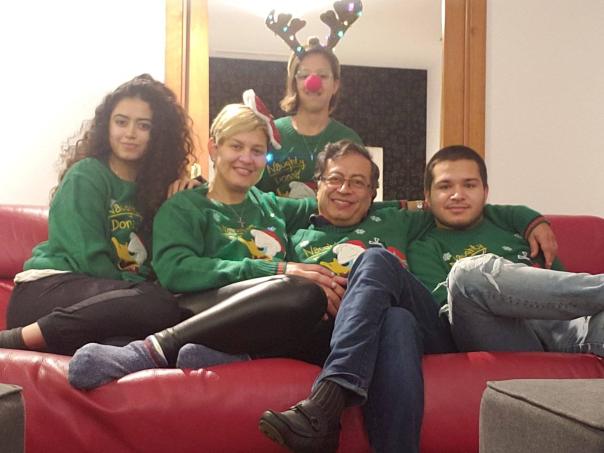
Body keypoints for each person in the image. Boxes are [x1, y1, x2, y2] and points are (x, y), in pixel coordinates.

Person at [258, 141, 553, 453]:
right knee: (396, 319)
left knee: (378, 266)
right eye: (335, 179)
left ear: (372, 194)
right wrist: (294, 274)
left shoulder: (397, 219)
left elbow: (465, 204)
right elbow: (248, 205)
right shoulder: (293, 230)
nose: (344, 189)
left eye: (358, 182)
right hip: (323, 334)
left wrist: (532, 220)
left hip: (420, 332)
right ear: (317, 184)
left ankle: (327, 399)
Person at [67, 94, 340, 389]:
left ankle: (231, 357)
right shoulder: (185, 205)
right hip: (200, 311)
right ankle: (150, 351)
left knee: (338, 321)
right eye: (236, 146)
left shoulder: (272, 206)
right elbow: (174, 271)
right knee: (300, 292)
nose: (246, 159)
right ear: (214, 148)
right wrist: (275, 270)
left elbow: (337, 204)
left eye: (257, 151)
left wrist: (381, 204)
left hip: (261, 321)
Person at [0, 74, 197, 355]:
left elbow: (167, 261)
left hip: (112, 303)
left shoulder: (158, 188)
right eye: (121, 122)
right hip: (49, 291)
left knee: (136, 340)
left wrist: (182, 202)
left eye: (143, 125)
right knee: (159, 303)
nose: (130, 133)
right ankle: (14, 339)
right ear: (107, 126)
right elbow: (88, 260)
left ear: (159, 134)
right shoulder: (86, 175)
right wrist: (147, 292)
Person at [408, 145, 604, 357]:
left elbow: (564, 292)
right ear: (427, 197)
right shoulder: (422, 249)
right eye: (445, 186)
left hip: (565, 328)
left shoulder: (520, 230)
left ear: (485, 192)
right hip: (501, 334)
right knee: (466, 274)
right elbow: (448, 314)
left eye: (469, 185)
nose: (457, 195)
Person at [256, 39, 363, 198]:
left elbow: (359, 198)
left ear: (335, 85)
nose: (313, 83)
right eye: (304, 75)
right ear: (294, 83)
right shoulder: (270, 134)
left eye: (323, 75)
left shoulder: (348, 141)